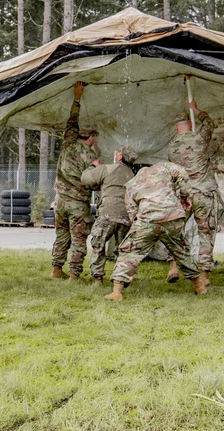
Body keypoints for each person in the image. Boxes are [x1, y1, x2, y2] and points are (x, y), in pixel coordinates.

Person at [105, 161, 207, 301]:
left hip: (147, 220)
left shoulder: (132, 183)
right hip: (172, 216)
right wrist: (185, 197)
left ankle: (117, 292)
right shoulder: (163, 167)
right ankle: (200, 288)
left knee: (130, 252)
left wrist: (140, 228)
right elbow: (182, 173)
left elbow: (132, 212)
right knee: (182, 251)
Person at [166, 97, 218, 286]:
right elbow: (209, 122)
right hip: (203, 192)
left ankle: (173, 265)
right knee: (206, 231)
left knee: (175, 231)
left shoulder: (172, 147)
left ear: (176, 127)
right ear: (189, 124)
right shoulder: (199, 139)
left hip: (184, 195)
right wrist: (196, 109)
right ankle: (204, 273)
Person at [51, 81, 100, 279]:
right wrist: (97, 167)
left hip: (60, 201)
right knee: (79, 238)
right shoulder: (89, 157)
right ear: (89, 138)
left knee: (62, 236)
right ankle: (74, 275)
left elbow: (72, 120)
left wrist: (77, 98)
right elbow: (93, 182)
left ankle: (56, 269)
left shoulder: (68, 143)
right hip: (78, 205)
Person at [81, 145, 138, 285]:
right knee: (124, 250)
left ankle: (98, 278)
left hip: (107, 214)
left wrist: (93, 167)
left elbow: (85, 179)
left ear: (119, 157)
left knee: (98, 245)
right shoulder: (132, 174)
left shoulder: (107, 168)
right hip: (126, 216)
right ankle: (120, 279)